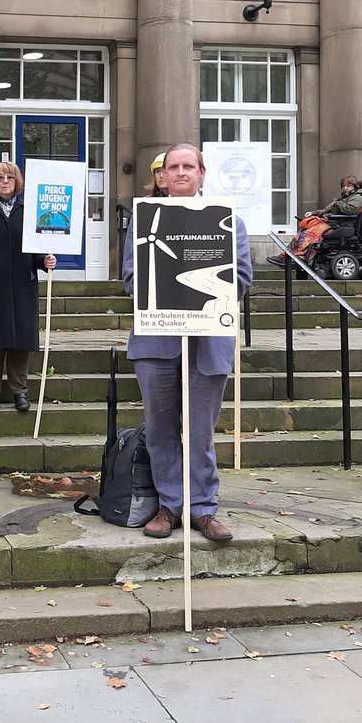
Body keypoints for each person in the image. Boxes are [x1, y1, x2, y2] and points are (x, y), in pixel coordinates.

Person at [122, 144, 252, 542]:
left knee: (200, 432)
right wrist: (167, 287)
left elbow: (242, 279)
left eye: (188, 166)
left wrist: (201, 286)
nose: (180, 172)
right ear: (162, 176)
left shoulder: (228, 222)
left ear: (201, 174)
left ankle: (203, 509)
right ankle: (169, 507)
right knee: (161, 430)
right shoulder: (143, 222)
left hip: (207, 341)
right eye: (173, 167)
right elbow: (130, 279)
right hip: (157, 342)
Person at [0, 162, 57, 412]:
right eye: (0, 178)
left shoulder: (30, 212)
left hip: (22, 284)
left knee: (20, 340)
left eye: (10, 178)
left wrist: (44, 260)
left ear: (18, 182)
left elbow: (35, 249)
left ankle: (20, 391)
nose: (5, 182)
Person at [268, 175, 362, 266]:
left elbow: (349, 210)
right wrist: (314, 213)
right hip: (333, 223)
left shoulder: (358, 199)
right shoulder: (345, 199)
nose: (345, 188)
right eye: (343, 186)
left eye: (348, 186)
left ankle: (300, 256)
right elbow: (328, 210)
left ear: (355, 187)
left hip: (340, 225)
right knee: (302, 232)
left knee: (309, 233)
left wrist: (336, 204)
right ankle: (286, 255)